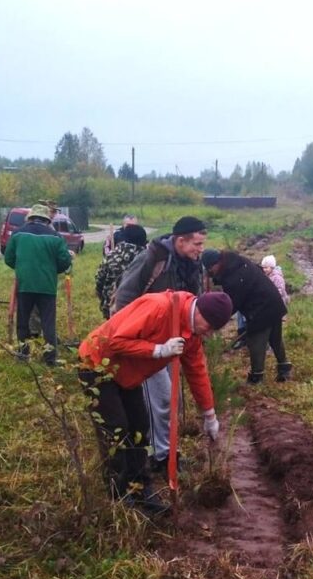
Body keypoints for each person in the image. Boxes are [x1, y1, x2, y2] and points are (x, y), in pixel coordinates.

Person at [78, 291, 233, 517]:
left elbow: (197, 373)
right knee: (116, 430)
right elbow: (116, 341)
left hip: (128, 375)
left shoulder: (192, 336)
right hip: (98, 365)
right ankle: (119, 495)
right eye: (208, 326)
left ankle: (141, 489)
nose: (208, 333)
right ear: (198, 310)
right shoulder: (159, 308)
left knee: (140, 428)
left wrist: (209, 415)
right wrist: (157, 350)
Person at [113, 216, 208, 473]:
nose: (201, 250)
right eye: (196, 244)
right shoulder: (152, 259)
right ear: (180, 240)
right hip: (146, 343)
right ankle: (160, 456)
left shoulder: (192, 265)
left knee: (169, 399)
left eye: (202, 244)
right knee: (162, 398)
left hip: (174, 342)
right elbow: (124, 296)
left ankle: (165, 449)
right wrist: (125, 339)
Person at [202, 249, 291, 383]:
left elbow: (232, 304)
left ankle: (256, 377)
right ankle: (284, 368)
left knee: (256, 342)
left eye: (210, 269)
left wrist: (215, 322)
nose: (210, 273)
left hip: (262, 308)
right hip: (273, 301)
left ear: (217, 263)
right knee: (275, 338)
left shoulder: (234, 276)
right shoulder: (236, 262)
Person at [3, 203, 72, 365]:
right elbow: (65, 261)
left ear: (30, 217)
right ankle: (50, 359)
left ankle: (23, 355)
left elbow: (8, 258)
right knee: (48, 323)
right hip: (47, 287)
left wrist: (21, 269)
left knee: (23, 321)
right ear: (47, 219)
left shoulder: (18, 234)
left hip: (25, 285)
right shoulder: (55, 237)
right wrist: (53, 271)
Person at [94, 224, 148, 319]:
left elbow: (99, 279)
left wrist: (104, 299)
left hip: (113, 308)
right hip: (140, 311)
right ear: (144, 240)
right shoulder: (148, 259)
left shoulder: (112, 255)